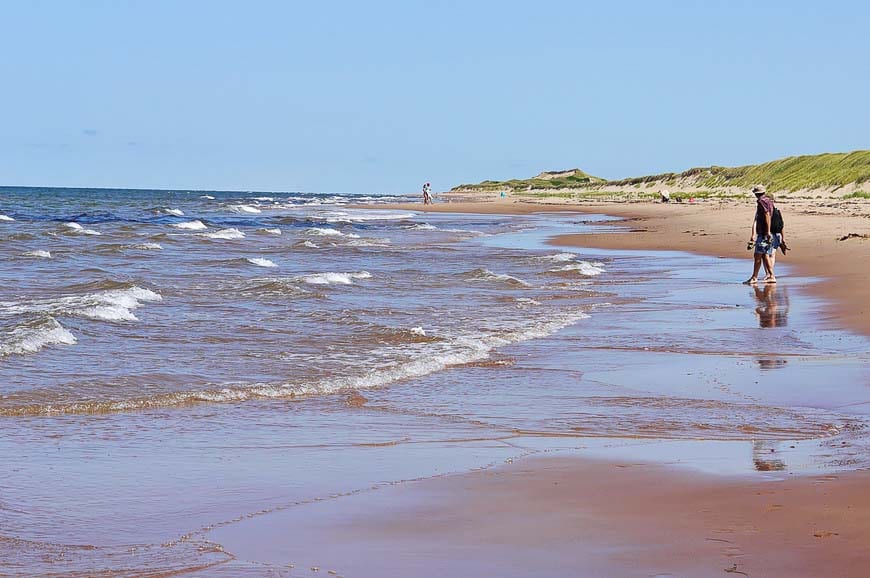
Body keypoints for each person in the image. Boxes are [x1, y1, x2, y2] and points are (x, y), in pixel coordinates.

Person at [743, 184, 780, 284]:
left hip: (764, 233)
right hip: (765, 232)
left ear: (756, 194)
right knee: (764, 255)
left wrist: (767, 232)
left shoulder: (761, 201)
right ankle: (770, 275)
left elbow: (767, 215)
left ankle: (755, 277)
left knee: (758, 255)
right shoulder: (769, 201)